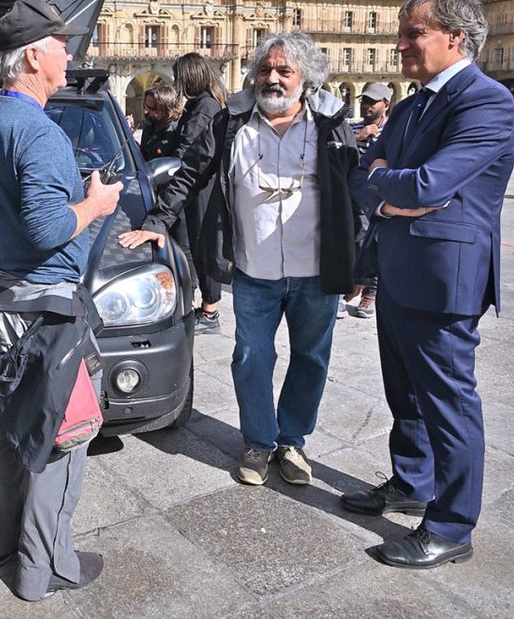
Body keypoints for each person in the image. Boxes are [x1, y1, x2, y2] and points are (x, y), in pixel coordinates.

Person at [120, 31, 360, 488]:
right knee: (250, 357)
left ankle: (293, 442)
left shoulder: (330, 123)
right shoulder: (231, 122)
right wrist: (156, 222)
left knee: (311, 358)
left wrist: (358, 261)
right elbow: (190, 173)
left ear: (304, 78)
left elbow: (353, 189)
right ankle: (259, 442)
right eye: (265, 69)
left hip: (316, 270)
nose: (273, 78)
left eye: (285, 71)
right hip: (254, 269)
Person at [344, 0, 514, 569]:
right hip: (397, 269)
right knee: (404, 392)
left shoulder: (486, 101)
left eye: (413, 33)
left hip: (445, 278)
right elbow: (362, 177)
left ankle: (451, 526)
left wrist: (389, 183)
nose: (400, 45)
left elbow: (428, 184)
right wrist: (388, 191)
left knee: (448, 401)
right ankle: (411, 482)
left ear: (456, 37)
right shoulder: (411, 106)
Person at [0, 0, 121, 602]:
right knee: (61, 438)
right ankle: (43, 568)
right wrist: (96, 204)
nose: (69, 56)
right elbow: (48, 228)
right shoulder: (41, 132)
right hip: (43, 316)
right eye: (61, 46)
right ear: (31, 58)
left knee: (2, 430)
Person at [171, 52, 228, 330]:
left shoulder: (205, 107)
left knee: (204, 247)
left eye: (179, 78)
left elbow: (190, 149)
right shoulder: (200, 104)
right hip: (200, 185)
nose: (177, 83)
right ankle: (206, 308)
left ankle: (210, 312)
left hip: (203, 187)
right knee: (198, 246)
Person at [348, 83, 394, 319]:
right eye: (364, 100)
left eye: (372, 102)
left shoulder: (393, 131)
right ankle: (352, 285)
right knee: (355, 240)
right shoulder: (353, 127)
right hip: (352, 194)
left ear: (385, 105)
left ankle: (370, 292)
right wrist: (359, 136)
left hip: (379, 196)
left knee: (374, 242)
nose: (366, 105)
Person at [137, 84, 182, 162]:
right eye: (145, 106)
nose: (146, 111)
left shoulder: (177, 133)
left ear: (166, 110)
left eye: (151, 109)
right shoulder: (149, 127)